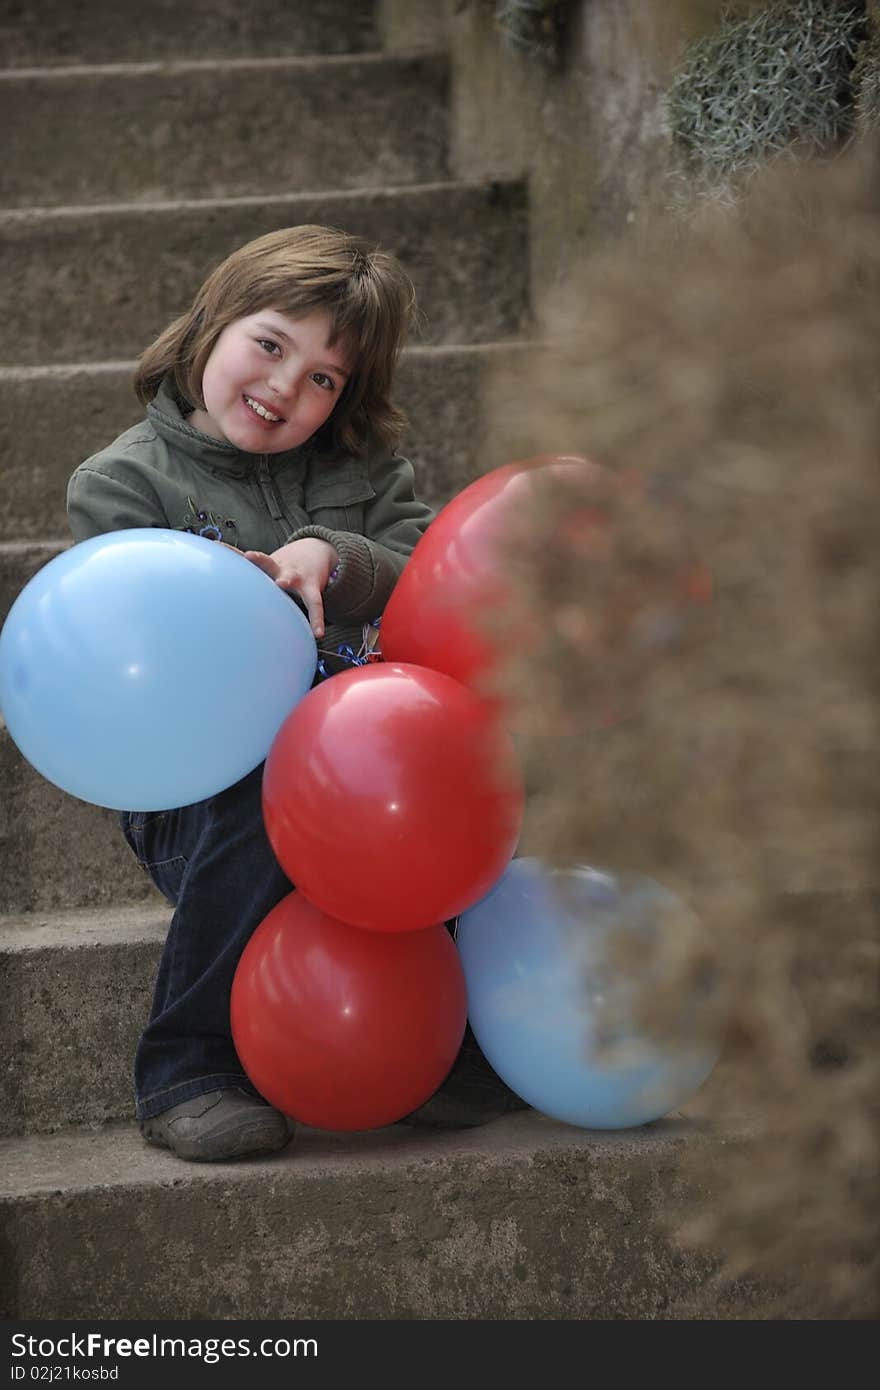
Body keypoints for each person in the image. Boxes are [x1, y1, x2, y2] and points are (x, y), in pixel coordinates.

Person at [66, 225, 524, 1163]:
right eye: (270, 345)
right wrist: (225, 601)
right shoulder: (122, 484)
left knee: (450, 770)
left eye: (324, 378)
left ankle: (436, 1043)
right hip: (200, 784)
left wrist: (332, 554)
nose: (285, 387)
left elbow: (428, 575)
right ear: (210, 325)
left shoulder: (365, 475)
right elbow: (118, 646)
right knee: (256, 790)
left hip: (360, 770)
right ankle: (188, 1064)